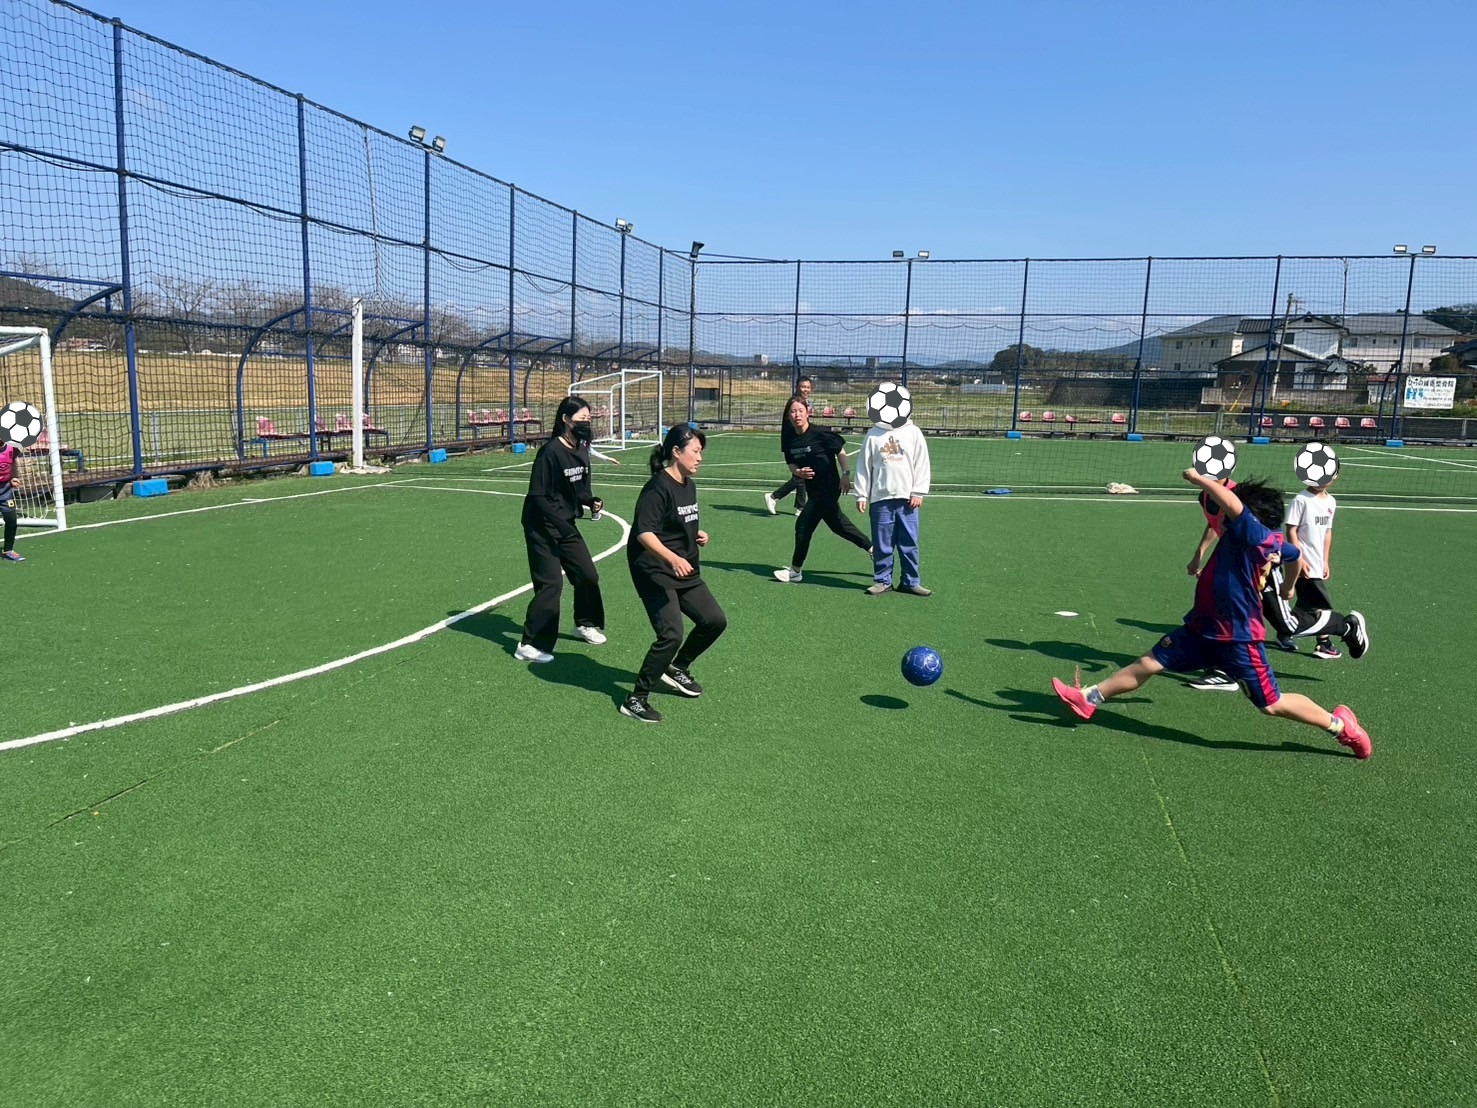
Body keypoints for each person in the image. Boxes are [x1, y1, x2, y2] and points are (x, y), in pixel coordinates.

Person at [1051, 470, 1373, 759]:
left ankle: (1340, 726)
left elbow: (1239, 510)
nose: (1225, 513)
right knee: (1149, 662)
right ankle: (1089, 698)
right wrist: (1288, 587)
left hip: (1238, 638)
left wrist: (1198, 479)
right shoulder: (1263, 537)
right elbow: (1295, 554)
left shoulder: (1252, 532)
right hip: (1202, 628)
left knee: (1271, 704)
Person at [622, 424, 727, 724]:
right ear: (676, 452)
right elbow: (644, 533)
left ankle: (677, 667)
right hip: (654, 569)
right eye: (696, 451)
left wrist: (697, 535)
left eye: (701, 452)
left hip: (684, 567)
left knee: (714, 621)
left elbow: (677, 523)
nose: (700, 458)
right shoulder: (657, 487)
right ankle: (636, 699)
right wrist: (672, 557)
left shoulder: (688, 485)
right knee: (671, 634)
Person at [515, 396, 607, 663]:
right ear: (566, 419)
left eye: (588, 419)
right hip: (541, 525)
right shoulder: (550, 452)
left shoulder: (582, 448)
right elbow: (538, 496)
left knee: (587, 575)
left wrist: (590, 500)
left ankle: (584, 623)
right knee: (551, 585)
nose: (586, 423)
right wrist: (559, 525)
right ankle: (529, 644)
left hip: (565, 524)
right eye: (581, 419)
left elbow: (580, 489)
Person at [772, 395, 872, 583]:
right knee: (838, 525)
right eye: (793, 411)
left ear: (807, 413)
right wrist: (798, 472)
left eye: (800, 411)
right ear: (788, 416)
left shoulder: (820, 433)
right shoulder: (790, 439)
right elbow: (791, 462)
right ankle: (872, 549)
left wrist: (845, 474)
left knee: (803, 526)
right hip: (813, 489)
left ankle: (795, 571)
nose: (797, 415)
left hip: (828, 487)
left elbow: (840, 451)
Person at [853, 409, 932, 596]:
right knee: (882, 544)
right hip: (880, 498)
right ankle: (883, 581)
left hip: (908, 499)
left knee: (909, 542)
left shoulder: (913, 432)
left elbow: (922, 463)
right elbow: (864, 465)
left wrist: (918, 491)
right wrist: (861, 494)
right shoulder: (873, 434)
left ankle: (910, 582)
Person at [1184, 475, 1239, 690]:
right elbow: (1213, 524)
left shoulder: (1238, 493)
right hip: (1229, 557)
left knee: (1286, 623)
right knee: (1214, 608)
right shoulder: (1205, 496)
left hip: (1250, 560)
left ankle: (1338, 627)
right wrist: (1199, 554)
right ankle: (1221, 670)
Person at [1283, 473, 1342, 659]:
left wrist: (1325, 560)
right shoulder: (1301, 500)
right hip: (1303, 562)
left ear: (1335, 476)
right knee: (1320, 604)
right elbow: (1291, 530)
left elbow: (1327, 533)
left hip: (1317, 562)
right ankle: (1323, 644)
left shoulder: (1331, 501)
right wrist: (1299, 559)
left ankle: (1284, 632)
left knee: (1306, 603)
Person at [765, 375, 814, 516]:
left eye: (808, 387)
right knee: (800, 475)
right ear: (797, 387)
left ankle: (800, 507)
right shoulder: (793, 403)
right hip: (792, 444)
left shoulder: (802, 402)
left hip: (798, 443)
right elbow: (791, 427)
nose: (805, 389)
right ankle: (774, 496)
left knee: (802, 474)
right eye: (803, 386)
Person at [0, 440, 23, 562]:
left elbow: (13, 462)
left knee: (11, 520)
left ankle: (8, 550)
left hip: (5, 490)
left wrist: (14, 477)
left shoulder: (12, 447)